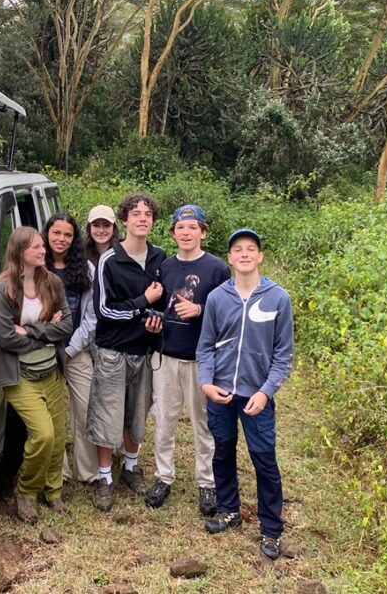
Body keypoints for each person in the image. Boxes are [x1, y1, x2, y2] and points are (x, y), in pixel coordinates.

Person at [196, 228, 294, 560]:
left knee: (264, 460)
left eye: (251, 249)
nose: (245, 254)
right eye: (238, 249)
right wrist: (206, 383)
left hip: (256, 397)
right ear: (230, 258)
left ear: (260, 256)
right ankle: (228, 509)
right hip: (221, 392)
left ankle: (271, 528)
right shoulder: (216, 298)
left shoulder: (278, 298)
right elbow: (205, 347)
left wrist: (266, 393)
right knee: (222, 452)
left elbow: (283, 356)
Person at [144, 205, 230, 516]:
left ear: (203, 232)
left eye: (193, 227)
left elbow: (229, 313)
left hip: (202, 359)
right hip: (165, 355)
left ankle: (206, 483)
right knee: (164, 420)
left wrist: (200, 310)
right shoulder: (165, 266)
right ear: (173, 232)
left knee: (202, 423)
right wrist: (153, 324)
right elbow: (160, 308)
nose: (186, 232)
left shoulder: (217, 269)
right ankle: (163, 476)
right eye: (181, 227)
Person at [87, 193, 166, 512]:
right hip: (112, 350)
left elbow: (165, 304)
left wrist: (156, 320)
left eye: (148, 214)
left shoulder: (161, 259)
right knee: (108, 414)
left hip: (144, 352)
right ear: (125, 221)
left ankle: (130, 467)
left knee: (137, 413)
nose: (142, 218)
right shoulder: (110, 260)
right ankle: (104, 478)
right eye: (136, 214)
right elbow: (104, 310)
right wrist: (142, 303)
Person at [0, 226, 73, 524]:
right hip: (21, 375)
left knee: (58, 437)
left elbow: (67, 326)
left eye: (42, 246)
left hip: (51, 371)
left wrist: (30, 330)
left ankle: (53, 492)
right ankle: (26, 492)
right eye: (36, 247)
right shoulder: (4, 289)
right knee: (43, 435)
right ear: (19, 252)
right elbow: (6, 338)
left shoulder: (51, 282)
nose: (43, 250)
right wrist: (46, 333)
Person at [42, 212, 99, 485]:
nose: (61, 239)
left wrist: (71, 349)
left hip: (77, 351)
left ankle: (87, 472)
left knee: (85, 409)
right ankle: (58, 473)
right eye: (56, 233)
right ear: (47, 234)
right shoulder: (37, 267)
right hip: (43, 352)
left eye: (67, 234)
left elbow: (92, 317)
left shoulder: (87, 270)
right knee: (53, 414)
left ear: (74, 239)